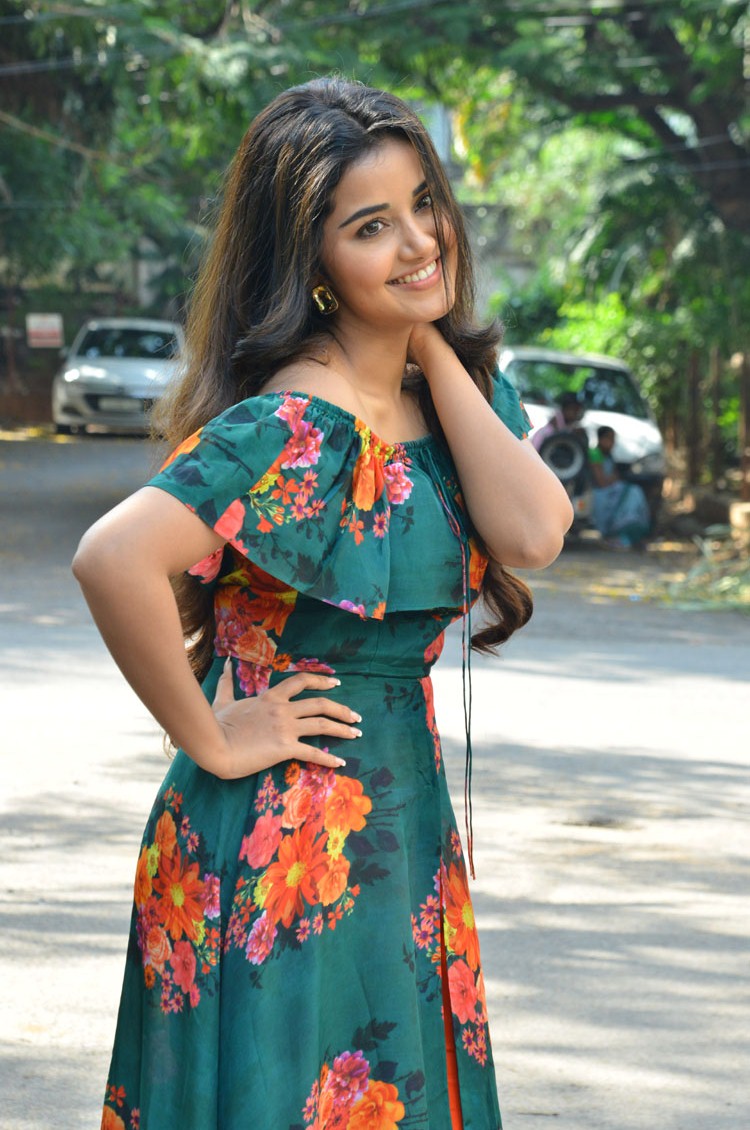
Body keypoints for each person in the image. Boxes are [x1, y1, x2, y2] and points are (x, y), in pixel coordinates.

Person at [74, 77, 572, 1130]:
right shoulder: (293, 426)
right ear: (312, 262)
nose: (419, 241)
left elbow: (534, 531)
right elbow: (112, 558)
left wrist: (425, 342)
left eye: (424, 204)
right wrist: (211, 735)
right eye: (371, 226)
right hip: (276, 838)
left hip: (399, 825)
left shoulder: (448, 396)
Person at [590, 425, 651, 548]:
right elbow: (602, 482)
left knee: (635, 492)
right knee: (633, 494)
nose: (613, 443)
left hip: (611, 490)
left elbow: (614, 476)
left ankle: (632, 535)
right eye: (610, 439)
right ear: (601, 439)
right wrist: (613, 479)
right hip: (601, 494)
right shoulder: (595, 454)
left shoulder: (609, 455)